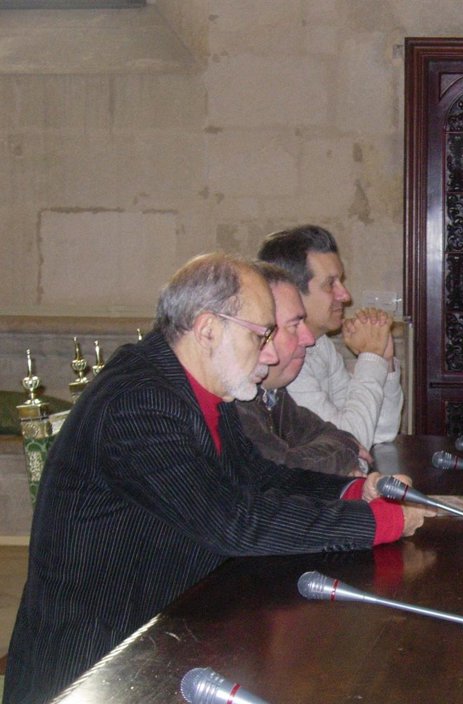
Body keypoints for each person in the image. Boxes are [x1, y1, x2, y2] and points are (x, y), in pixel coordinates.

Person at [3, 254, 428, 704]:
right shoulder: (138, 402)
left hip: (164, 635)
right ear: (207, 329)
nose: (270, 354)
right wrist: (375, 523)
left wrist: (354, 491)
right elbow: (231, 522)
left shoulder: (202, 385)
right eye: (260, 335)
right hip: (96, 666)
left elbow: (256, 476)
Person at [258, 225, 402, 448]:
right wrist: (371, 357)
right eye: (330, 284)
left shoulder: (320, 345)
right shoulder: (284, 362)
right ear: (291, 292)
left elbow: (381, 431)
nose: (345, 295)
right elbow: (349, 443)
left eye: (340, 282)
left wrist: (384, 359)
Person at [236, 262, 371, 476]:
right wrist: (346, 452)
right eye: (294, 325)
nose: (308, 339)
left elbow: (332, 433)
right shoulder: (232, 402)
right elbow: (281, 470)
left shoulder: (272, 394)